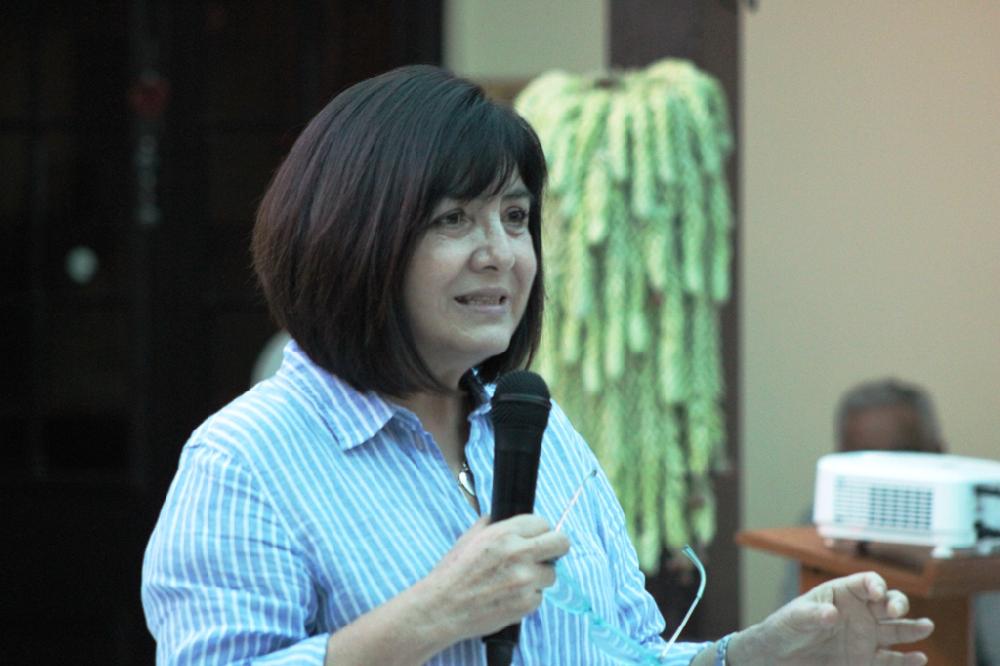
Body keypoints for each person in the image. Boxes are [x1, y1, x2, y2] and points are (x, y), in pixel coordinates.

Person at [141, 65, 933, 665]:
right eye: (454, 219)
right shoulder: (244, 461)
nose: (501, 254)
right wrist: (431, 615)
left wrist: (758, 653)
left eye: (515, 216)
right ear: (352, 240)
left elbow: (629, 653)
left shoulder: (540, 431)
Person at [787, 378, 998, 665]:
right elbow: (792, 644)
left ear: (939, 452)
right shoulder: (819, 527)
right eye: (863, 460)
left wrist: (949, 564)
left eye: (902, 457)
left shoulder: (981, 524)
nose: (884, 476)